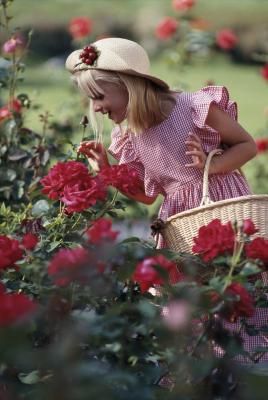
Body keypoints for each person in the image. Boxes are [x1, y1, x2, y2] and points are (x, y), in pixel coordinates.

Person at [65, 38, 267, 365]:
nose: (97, 107)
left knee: (234, 287)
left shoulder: (191, 107)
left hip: (221, 206)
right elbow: (147, 194)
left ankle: (249, 367)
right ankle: (200, 372)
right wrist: (106, 168)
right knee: (191, 300)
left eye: (100, 96)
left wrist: (211, 165)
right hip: (180, 223)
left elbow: (246, 145)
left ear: (129, 86)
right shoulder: (129, 134)